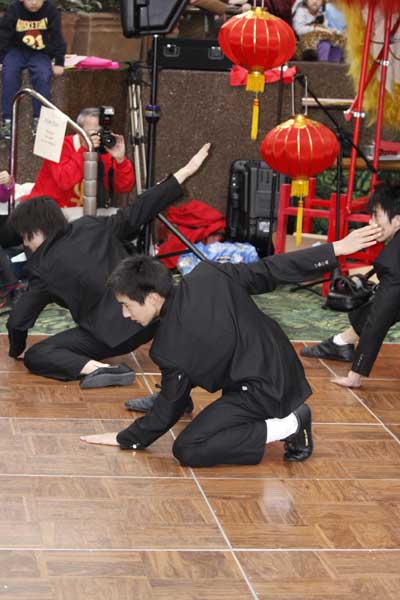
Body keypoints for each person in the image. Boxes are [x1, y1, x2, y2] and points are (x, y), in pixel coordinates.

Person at [80, 224, 380, 467]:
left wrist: (124, 439)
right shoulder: (209, 275)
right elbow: (270, 269)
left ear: (153, 298)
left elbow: (168, 409)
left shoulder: (167, 348)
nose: (125, 314)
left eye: (127, 305)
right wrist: (334, 249)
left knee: (188, 448)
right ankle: (276, 419)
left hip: (259, 390)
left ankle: (291, 424)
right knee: (214, 424)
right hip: (282, 365)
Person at [6, 143, 210, 388]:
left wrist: (16, 349)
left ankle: (101, 370)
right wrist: (183, 173)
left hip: (111, 337)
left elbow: (18, 319)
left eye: (24, 236)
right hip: (153, 314)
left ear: (35, 231)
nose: (25, 243)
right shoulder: (91, 226)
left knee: (38, 354)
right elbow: (137, 211)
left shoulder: (42, 267)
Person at [301, 182, 400, 389]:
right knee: (385, 301)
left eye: (376, 216)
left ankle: (342, 343)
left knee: (383, 307)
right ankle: (341, 342)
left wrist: (355, 375)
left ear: (397, 220)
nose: (371, 222)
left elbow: (378, 321)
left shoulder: (393, 262)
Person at [24, 107, 135, 209]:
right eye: (93, 132)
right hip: (46, 210)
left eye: (101, 132)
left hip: (80, 214)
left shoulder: (103, 152)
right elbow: (64, 181)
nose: (98, 136)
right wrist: (85, 150)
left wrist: (121, 161)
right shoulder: (59, 146)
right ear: (78, 131)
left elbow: (124, 187)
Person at [0, 0, 66, 140]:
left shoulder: (50, 10)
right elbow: (3, 35)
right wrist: (1, 59)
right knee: (9, 74)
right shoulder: (14, 9)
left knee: (43, 74)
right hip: (16, 50)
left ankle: (40, 119)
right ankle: (7, 119)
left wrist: (59, 61)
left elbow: (57, 36)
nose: (34, 2)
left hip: (40, 52)